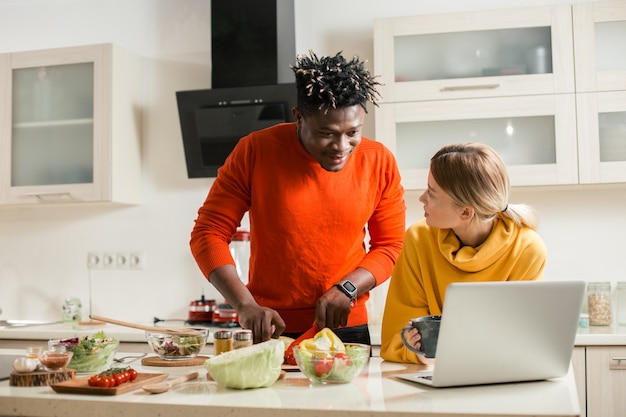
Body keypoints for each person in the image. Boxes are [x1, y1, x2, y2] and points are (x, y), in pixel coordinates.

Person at [190, 51, 406, 345]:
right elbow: (208, 233)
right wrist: (244, 304)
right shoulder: (255, 151)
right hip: (271, 327)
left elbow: (390, 246)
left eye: (353, 132)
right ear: (298, 117)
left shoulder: (379, 161)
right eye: (326, 133)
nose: (341, 146)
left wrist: (348, 288)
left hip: (346, 327)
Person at [380, 142, 547, 364]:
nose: (422, 198)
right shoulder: (418, 238)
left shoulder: (527, 249)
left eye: (431, 193)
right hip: (432, 377)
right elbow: (396, 337)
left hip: (500, 375)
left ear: (466, 212)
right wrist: (416, 349)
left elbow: (524, 339)